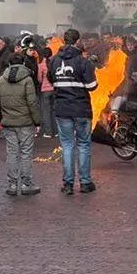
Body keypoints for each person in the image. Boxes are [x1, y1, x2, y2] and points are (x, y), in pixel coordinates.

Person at [49, 29, 98, 195]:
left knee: (67, 145)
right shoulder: (83, 62)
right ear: (77, 42)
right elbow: (92, 86)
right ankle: (85, 183)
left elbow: (51, 80)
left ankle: (68, 184)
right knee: (83, 145)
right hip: (81, 109)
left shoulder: (54, 60)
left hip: (62, 109)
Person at [0, 53, 42, 197]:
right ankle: (27, 184)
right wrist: (37, 121)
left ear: (9, 64)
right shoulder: (27, 80)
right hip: (25, 122)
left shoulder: (1, 80)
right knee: (26, 153)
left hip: (8, 122)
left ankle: (13, 184)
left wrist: (1, 118)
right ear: (23, 63)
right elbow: (32, 102)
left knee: (12, 153)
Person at [37, 46, 57, 138]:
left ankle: (48, 132)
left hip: (45, 90)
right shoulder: (55, 63)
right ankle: (56, 131)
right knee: (54, 111)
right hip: (55, 89)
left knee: (46, 112)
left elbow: (39, 79)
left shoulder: (41, 65)